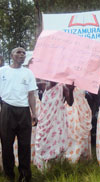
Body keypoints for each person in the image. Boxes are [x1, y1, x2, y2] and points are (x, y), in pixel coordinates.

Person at [0, 47, 37, 182]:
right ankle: (9, 175)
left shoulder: (28, 73)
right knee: (7, 144)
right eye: (18, 52)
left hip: (24, 112)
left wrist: (34, 113)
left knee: (24, 145)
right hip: (6, 110)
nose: (21, 54)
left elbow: (31, 95)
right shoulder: (2, 71)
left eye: (23, 53)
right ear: (12, 55)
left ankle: (25, 175)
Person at [34, 81, 74, 170]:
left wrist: (71, 91)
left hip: (57, 122)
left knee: (56, 141)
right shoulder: (43, 84)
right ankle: (42, 167)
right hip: (44, 121)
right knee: (42, 142)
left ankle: (56, 166)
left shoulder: (62, 87)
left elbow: (70, 103)